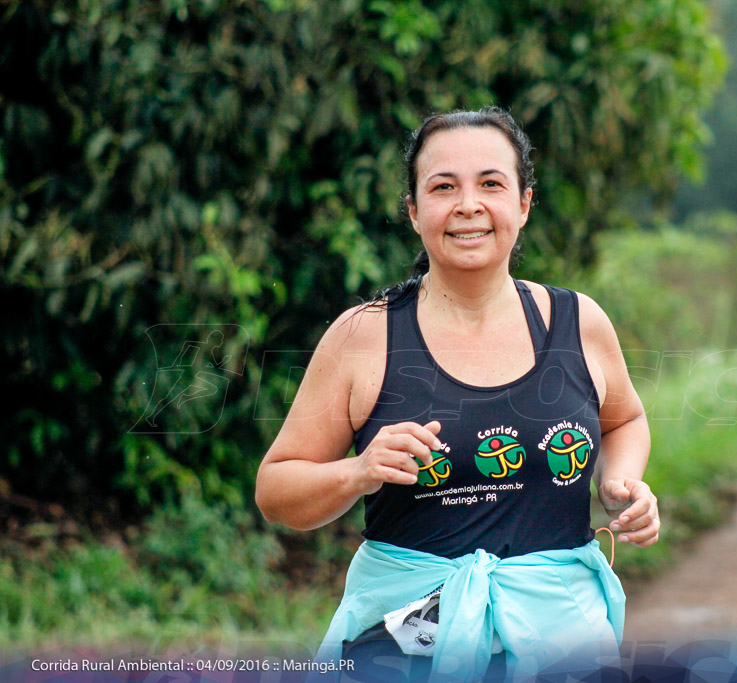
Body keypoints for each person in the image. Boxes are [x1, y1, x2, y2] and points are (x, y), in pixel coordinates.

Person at [255, 107, 659, 681]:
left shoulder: (579, 323)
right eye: (444, 187)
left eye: (491, 184)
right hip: (401, 646)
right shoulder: (362, 336)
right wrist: (360, 471)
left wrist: (622, 484)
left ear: (523, 204)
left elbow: (624, 420)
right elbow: (276, 490)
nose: (468, 205)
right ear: (415, 212)